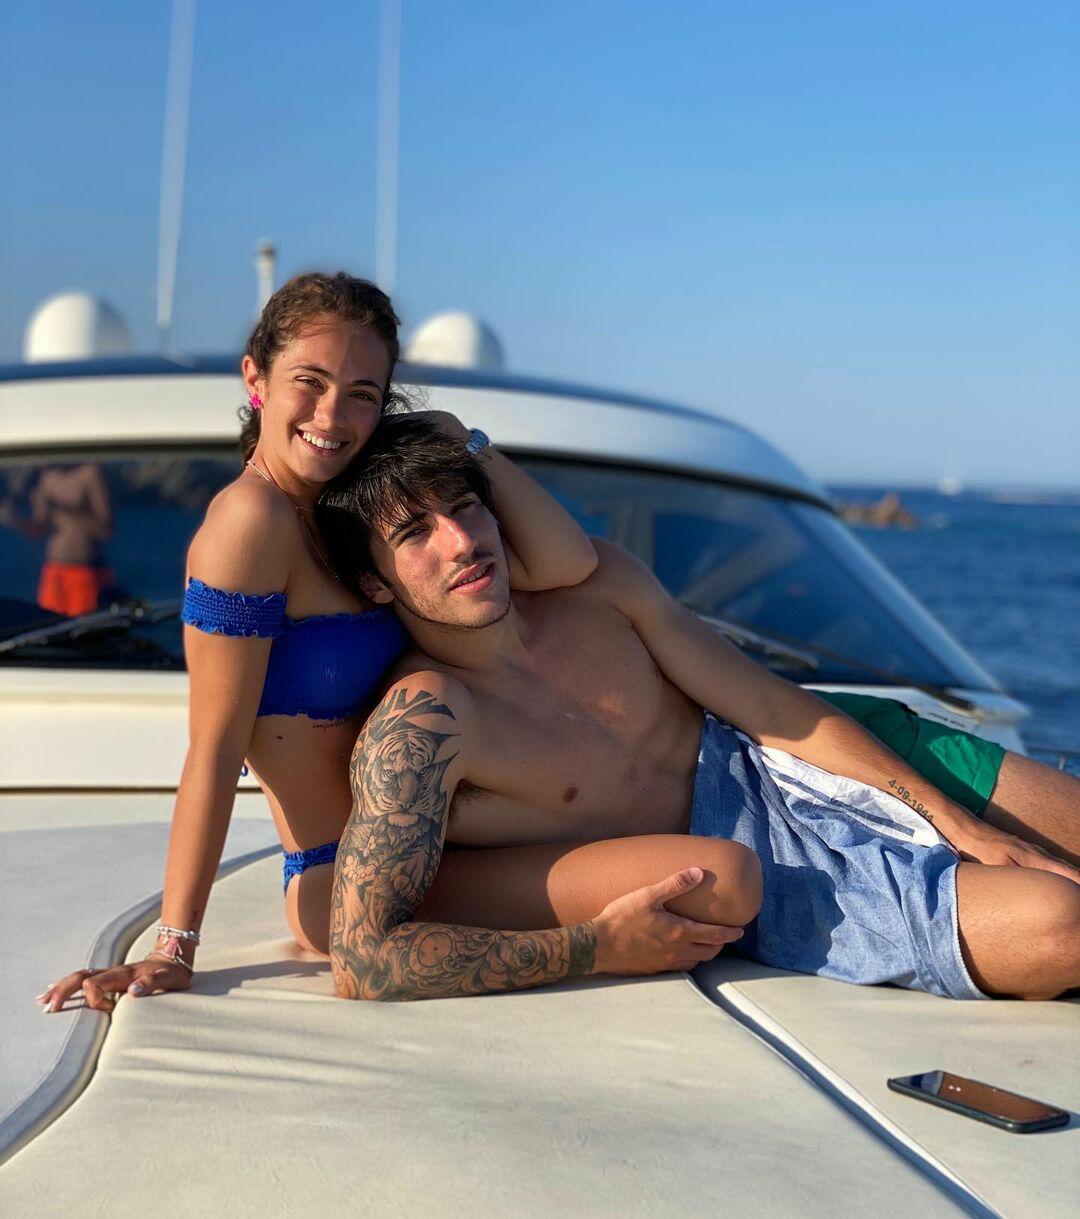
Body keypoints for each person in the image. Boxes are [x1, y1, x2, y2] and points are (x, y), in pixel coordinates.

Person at [43, 273, 751, 1013]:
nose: (332, 414)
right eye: (309, 382)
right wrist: (174, 945)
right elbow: (215, 746)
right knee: (717, 883)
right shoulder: (250, 523)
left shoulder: (373, 512)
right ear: (255, 378)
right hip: (350, 881)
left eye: (362, 393)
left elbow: (567, 563)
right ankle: (599, 946)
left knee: (724, 861)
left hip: (454, 846)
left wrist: (458, 437)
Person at [319, 415, 1080, 1003]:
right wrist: (591, 946)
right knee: (1060, 921)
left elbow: (770, 703)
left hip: (785, 751)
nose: (460, 542)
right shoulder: (425, 723)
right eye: (415, 534)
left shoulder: (599, 589)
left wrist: (956, 822)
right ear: (376, 582)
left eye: (465, 507)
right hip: (767, 864)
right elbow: (359, 957)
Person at [0, 462, 116, 615]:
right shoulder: (47, 479)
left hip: (83, 571)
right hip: (54, 571)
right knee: (48, 622)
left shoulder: (89, 474)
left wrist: (71, 512)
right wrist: (14, 519)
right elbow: (38, 530)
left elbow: (107, 528)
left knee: (83, 625)